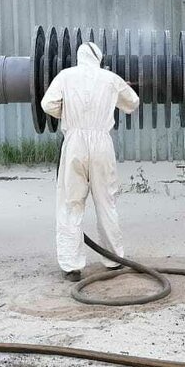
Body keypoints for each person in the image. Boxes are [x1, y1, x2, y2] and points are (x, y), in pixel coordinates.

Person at [41, 41, 140, 281]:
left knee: (71, 203)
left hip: (74, 142)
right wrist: (115, 92)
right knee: (106, 201)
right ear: (98, 58)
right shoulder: (110, 78)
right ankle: (113, 259)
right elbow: (132, 103)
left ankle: (72, 267)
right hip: (101, 143)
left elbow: (47, 104)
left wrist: (67, 113)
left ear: (79, 57)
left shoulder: (65, 76)